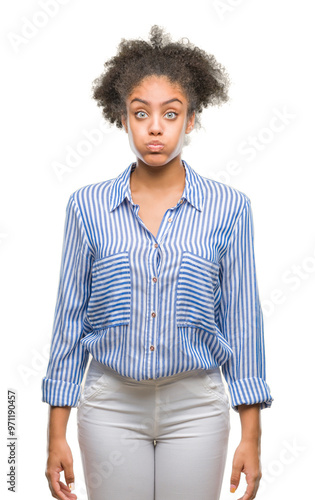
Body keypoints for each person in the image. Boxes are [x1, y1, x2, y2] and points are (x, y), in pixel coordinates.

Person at [42, 25, 273, 500]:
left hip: (197, 407)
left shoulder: (229, 208)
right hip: (109, 404)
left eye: (171, 114)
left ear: (190, 121)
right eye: (140, 113)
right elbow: (69, 320)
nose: (155, 127)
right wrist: (54, 434)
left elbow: (243, 320)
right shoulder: (86, 207)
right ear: (122, 118)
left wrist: (251, 436)